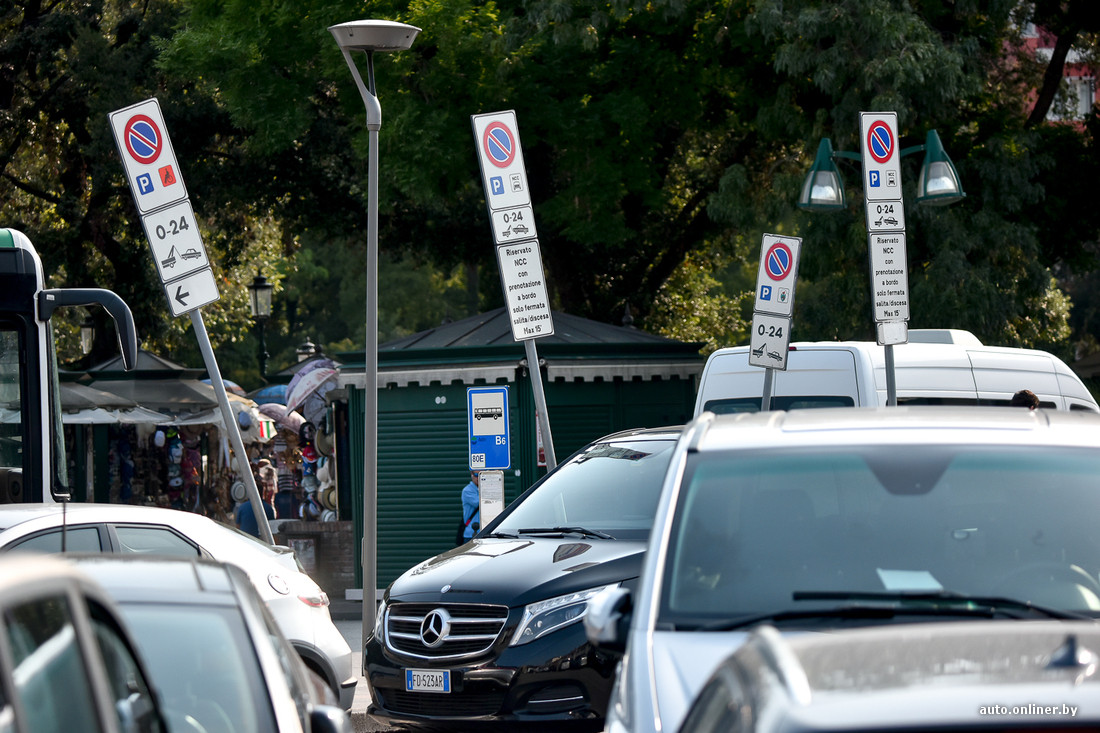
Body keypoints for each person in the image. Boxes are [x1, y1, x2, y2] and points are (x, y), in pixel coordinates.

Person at [237, 465, 277, 538]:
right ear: (263, 492)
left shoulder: (242, 507)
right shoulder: (268, 508)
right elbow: (273, 530)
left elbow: (237, 527)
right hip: (262, 544)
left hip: (245, 541)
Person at [460, 471, 481, 543]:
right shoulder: (467, 491)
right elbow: (480, 503)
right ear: (472, 475)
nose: (479, 478)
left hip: (485, 532)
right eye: (476, 475)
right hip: (471, 533)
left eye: (481, 475)